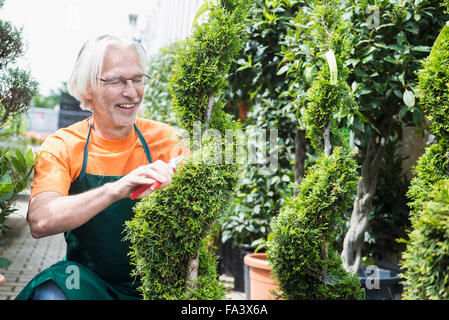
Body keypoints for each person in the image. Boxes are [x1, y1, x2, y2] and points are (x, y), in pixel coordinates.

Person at [15, 35, 185, 300]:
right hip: (87, 281)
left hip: (158, 282)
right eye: (117, 80)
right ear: (87, 89)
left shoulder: (168, 140)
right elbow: (40, 221)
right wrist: (115, 190)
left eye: (137, 79)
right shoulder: (63, 145)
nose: (131, 92)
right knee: (52, 292)